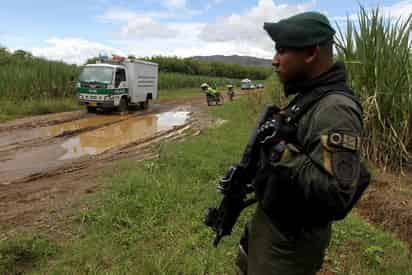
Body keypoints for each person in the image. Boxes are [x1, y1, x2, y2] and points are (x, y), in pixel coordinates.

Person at [235, 11, 368, 275]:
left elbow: (337, 194)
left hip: (289, 244)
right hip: (274, 225)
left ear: (310, 53)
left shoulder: (335, 109)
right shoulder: (309, 97)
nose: (274, 61)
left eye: (281, 51)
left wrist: (280, 152)